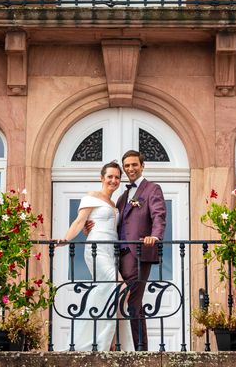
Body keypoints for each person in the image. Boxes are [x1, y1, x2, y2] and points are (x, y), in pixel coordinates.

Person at [56, 161, 134, 351]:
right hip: (97, 249)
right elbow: (80, 220)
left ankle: (111, 342)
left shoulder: (114, 204)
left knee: (106, 293)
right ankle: (105, 341)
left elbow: (103, 224)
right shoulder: (92, 196)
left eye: (117, 177)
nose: (113, 180)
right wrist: (66, 238)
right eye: (110, 176)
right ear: (102, 178)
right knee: (123, 289)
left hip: (111, 251)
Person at [116, 150, 167, 351]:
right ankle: (124, 346)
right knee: (123, 302)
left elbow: (159, 215)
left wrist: (155, 236)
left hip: (139, 253)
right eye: (126, 166)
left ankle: (141, 350)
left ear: (142, 165)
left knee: (133, 302)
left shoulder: (152, 189)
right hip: (119, 256)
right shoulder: (123, 196)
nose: (130, 169)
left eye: (134, 164)